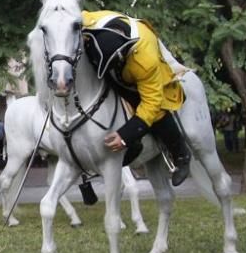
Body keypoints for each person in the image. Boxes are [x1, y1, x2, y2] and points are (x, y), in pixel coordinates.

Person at [81, 10, 190, 186]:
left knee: (158, 112)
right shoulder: (89, 22)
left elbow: (151, 104)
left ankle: (181, 155)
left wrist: (126, 135)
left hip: (142, 74)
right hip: (106, 67)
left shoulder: (145, 61)